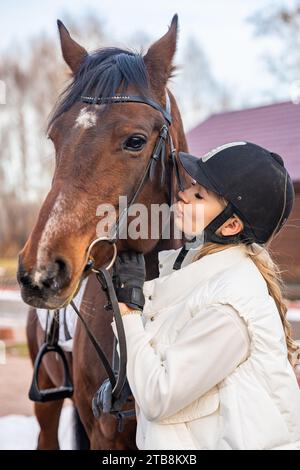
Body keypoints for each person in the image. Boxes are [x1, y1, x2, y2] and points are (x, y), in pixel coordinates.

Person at [110, 141, 300, 450]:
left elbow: (159, 395)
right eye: (192, 186)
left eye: (199, 195)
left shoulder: (230, 309)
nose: (183, 193)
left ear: (231, 225)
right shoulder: (196, 271)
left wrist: (128, 314)